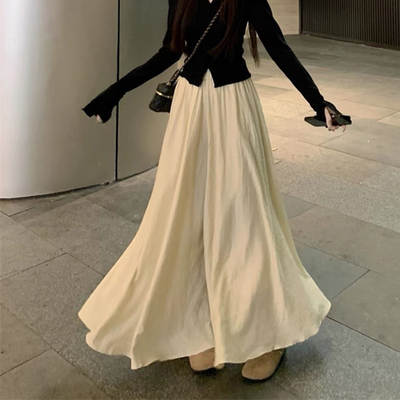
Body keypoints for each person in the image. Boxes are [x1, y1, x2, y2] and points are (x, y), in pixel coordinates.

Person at [78, 0, 347, 382]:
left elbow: (278, 47)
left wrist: (319, 103)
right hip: (190, 112)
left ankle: (268, 336)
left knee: (245, 218)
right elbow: (169, 51)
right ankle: (200, 323)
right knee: (185, 218)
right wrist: (115, 92)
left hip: (233, 109)